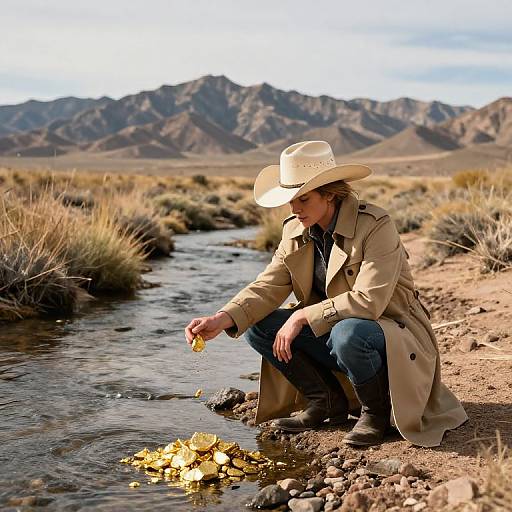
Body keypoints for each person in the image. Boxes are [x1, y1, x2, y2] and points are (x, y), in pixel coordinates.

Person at [185, 140, 467, 447]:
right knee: (256, 325)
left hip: (392, 334)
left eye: (303, 199)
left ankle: (376, 414)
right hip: (335, 328)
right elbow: (268, 286)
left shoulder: (376, 225)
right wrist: (222, 318)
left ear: (330, 194)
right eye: (291, 199)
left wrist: (304, 316)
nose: (294, 208)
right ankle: (326, 402)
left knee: (348, 332)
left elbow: (369, 302)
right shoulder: (294, 230)